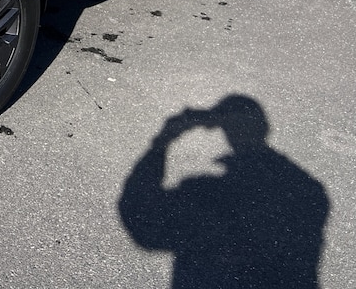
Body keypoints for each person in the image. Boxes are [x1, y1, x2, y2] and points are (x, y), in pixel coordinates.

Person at [119, 94, 330, 288]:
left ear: (223, 131)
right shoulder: (310, 192)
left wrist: (161, 143)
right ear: (265, 128)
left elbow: (142, 221)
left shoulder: (206, 194)